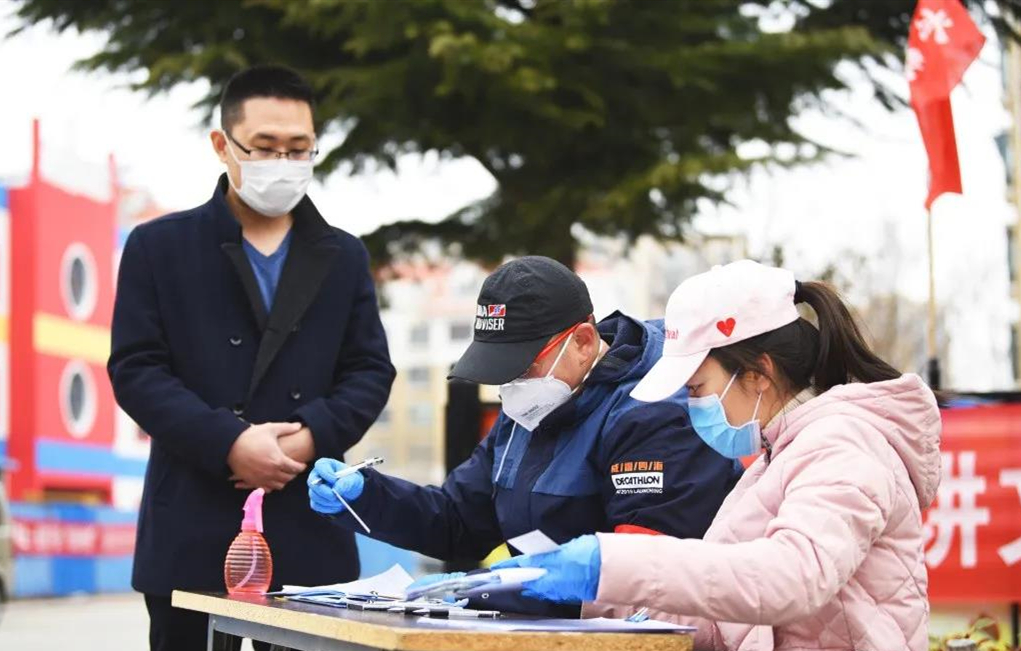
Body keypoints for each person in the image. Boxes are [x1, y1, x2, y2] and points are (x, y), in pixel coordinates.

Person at [497, 260, 941, 651]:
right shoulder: (775, 460)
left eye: (697, 388)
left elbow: (788, 578)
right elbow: (725, 617)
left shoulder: (843, 444)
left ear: (758, 372)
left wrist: (609, 563)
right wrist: (583, 600)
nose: (691, 406)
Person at [108, 64, 395, 651]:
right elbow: (136, 370)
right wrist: (229, 443)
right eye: (264, 147)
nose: (283, 163)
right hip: (192, 519)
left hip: (307, 520)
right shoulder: (158, 247)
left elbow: (369, 371)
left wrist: (306, 439)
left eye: (299, 149)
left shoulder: (342, 255)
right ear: (223, 144)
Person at [308, 256, 743, 617]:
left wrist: (494, 589)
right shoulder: (533, 404)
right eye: (500, 372)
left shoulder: (655, 411)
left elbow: (644, 574)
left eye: (523, 368)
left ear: (583, 342)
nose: (511, 386)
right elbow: (460, 520)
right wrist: (365, 497)